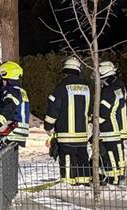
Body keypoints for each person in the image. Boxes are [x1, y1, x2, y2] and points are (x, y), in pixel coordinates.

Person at [44, 56, 90, 185]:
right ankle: (84, 183)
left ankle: (69, 186)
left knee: (68, 160)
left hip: (66, 135)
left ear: (65, 71)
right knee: (82, 159)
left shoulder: (61, 87)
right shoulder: (86, 88)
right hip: (82, 135)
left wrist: (48, 126)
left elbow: (53, 109)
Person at [96, 61, 127, 185]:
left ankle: (112, 179)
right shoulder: (120, 86)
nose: (101, 82)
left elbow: (103, 113)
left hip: (108, 130)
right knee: (118, 154)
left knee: (109, 156)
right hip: (118, 128)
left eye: (102, 79)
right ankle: (119, 176)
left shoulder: (108, 92)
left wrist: (92, 125)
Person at [0, 61, 30, 147]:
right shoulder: (20, 90)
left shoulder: (12, 91)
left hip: (10, 133)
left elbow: (8, 108)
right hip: (18, 134)